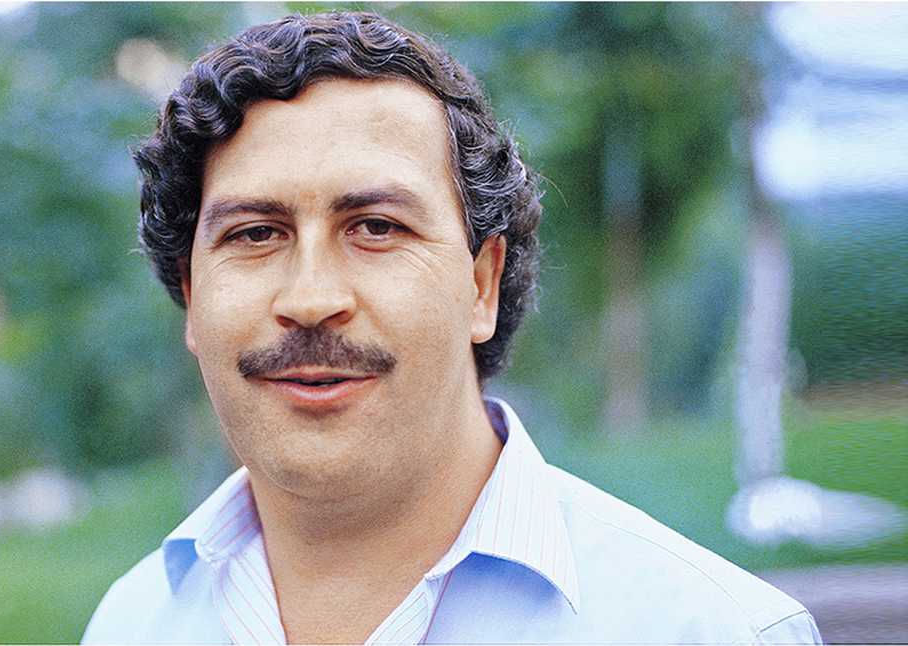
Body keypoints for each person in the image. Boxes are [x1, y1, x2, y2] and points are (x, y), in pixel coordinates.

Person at [82, 10, 821, 645]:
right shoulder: (133, 623)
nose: (310, 298)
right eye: (254, 234)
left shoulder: (710, 629)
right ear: (191, 295)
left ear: (481, 284)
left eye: (376, 227)